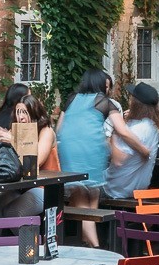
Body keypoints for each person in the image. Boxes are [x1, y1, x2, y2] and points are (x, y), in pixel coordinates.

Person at [57, 69, 151, 247]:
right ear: (101, 85)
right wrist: (144, 150)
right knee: (87, 196)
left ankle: (87, 240)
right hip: (91, 150)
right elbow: (123, 131)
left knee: (87, 194)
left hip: (69, 150)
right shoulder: (104, 101)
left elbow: (59, 128)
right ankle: (96, 245)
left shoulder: (71, 99)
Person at [0, 92, 61, 217]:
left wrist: (13, 140)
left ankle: (28, 237)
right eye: (18, 112)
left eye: (25, 112)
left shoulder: (46, 131)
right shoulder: (16, 130)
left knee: (12, 213)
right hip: (20, 186)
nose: (21, 117)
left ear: (35, 112)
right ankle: (6, 237)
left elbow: (37, 161)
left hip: (45, 187)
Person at [105, 83, 159, 200]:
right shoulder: (151, 126)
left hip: (117, 189)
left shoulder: (139, 129)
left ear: (136, 103)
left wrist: (113, 133)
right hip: (137, 187)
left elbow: (118, 160)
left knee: (83, 186)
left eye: (131, 97)